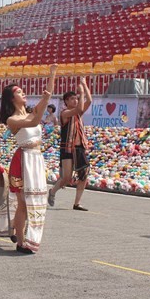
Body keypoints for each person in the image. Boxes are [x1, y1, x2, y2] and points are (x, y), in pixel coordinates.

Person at [0, 65, 57, 254]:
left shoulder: (30, 112)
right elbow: (33, 122)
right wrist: (44, 100)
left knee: (34, 199)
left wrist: (52, 74)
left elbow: (40, 110)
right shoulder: (12, 120)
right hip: (23, 160)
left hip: (36, 158)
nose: (24, 94)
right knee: (23, 202)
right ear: (11, 99)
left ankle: (22, 234)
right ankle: (22, 241)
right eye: (19, 92)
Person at [48, 78, 93, 211]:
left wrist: (84, 86)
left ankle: (77, 203)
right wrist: (81, 93)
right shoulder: (65, 113)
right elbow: (80, 107)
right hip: (67, 147)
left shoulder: (78, 113)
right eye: (72, 99)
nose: (76, 101)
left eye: (76, 98)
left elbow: (89, 101)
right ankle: (52, 191)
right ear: (66, 101)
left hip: (79, 147)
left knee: (84, 173)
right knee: (67, 177)